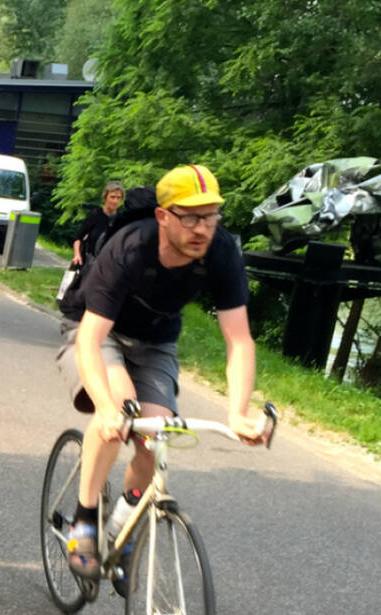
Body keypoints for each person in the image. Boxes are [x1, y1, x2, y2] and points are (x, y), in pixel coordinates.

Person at [56, 164, 268, 582]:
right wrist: (106, 407)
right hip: (98, 330)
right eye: (189, 217)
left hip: (155, 341)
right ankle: (84, 519)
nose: (201, 228)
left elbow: (239, 340)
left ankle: (123, 527)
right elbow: (91, 339)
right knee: (119, 412)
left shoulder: (221, 251)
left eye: (210, 216)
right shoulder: (131, 246)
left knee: (155, 437)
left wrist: (239, 411)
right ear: (163, 216)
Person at [71, 179, 125, 269]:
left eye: (118, 198)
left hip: (110, 266)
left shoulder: (121, 220)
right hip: (89, 264)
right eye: (112, 197)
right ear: (105, 198)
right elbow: (78, 239)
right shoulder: (95, 215)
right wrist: (77, 255)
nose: (115, 201)